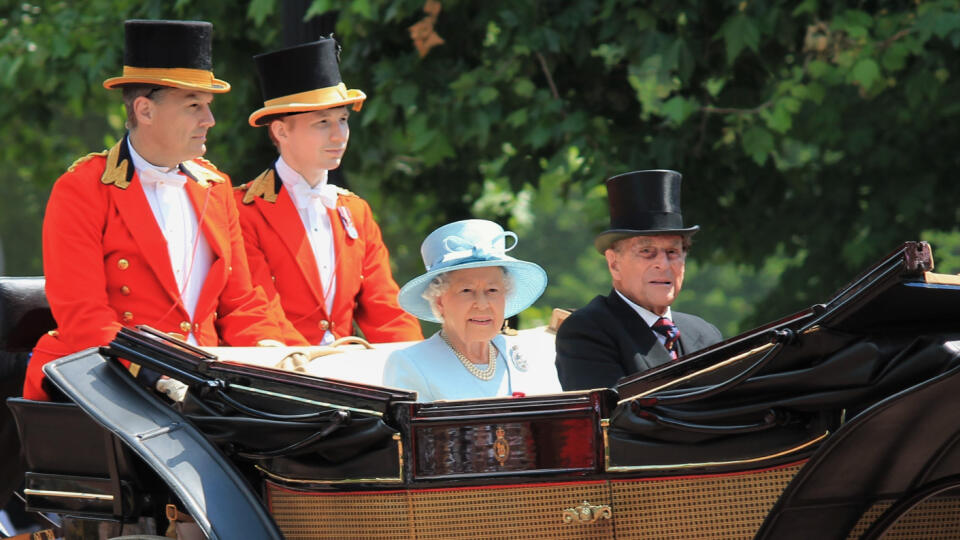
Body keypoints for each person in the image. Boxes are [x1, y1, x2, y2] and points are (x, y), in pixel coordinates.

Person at [23, 20, 299, 402]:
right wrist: (159, 374)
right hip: (110, 383)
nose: (209, 121)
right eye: (193, 106)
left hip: (204, 386)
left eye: (208, 106)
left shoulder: (215, 188)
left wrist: (271, 353)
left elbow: (241, 304)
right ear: (145, 110)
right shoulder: (82, 189)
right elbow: (84, 319)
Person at [236, 38, 423, 346]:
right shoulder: (243, 210)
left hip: (346, 378)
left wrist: (416, 367)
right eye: (322, 122)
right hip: (281, 375)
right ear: (281, 131)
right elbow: (257, 312)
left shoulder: (356, 211)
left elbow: (387, 311)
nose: (339, 135)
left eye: (343, 120)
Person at [555, 170, 722, 391]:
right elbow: (619, 419)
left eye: (673, 251)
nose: (663, 264)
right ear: (614, 263)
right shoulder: (587, 331)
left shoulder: (705, 334)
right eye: (647, 251)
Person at [382, 219, 561, 401]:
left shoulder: (532, 356)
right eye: (466, 291)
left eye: (492, 290)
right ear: (439, 301)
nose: (482, 304)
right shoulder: (410, 364)